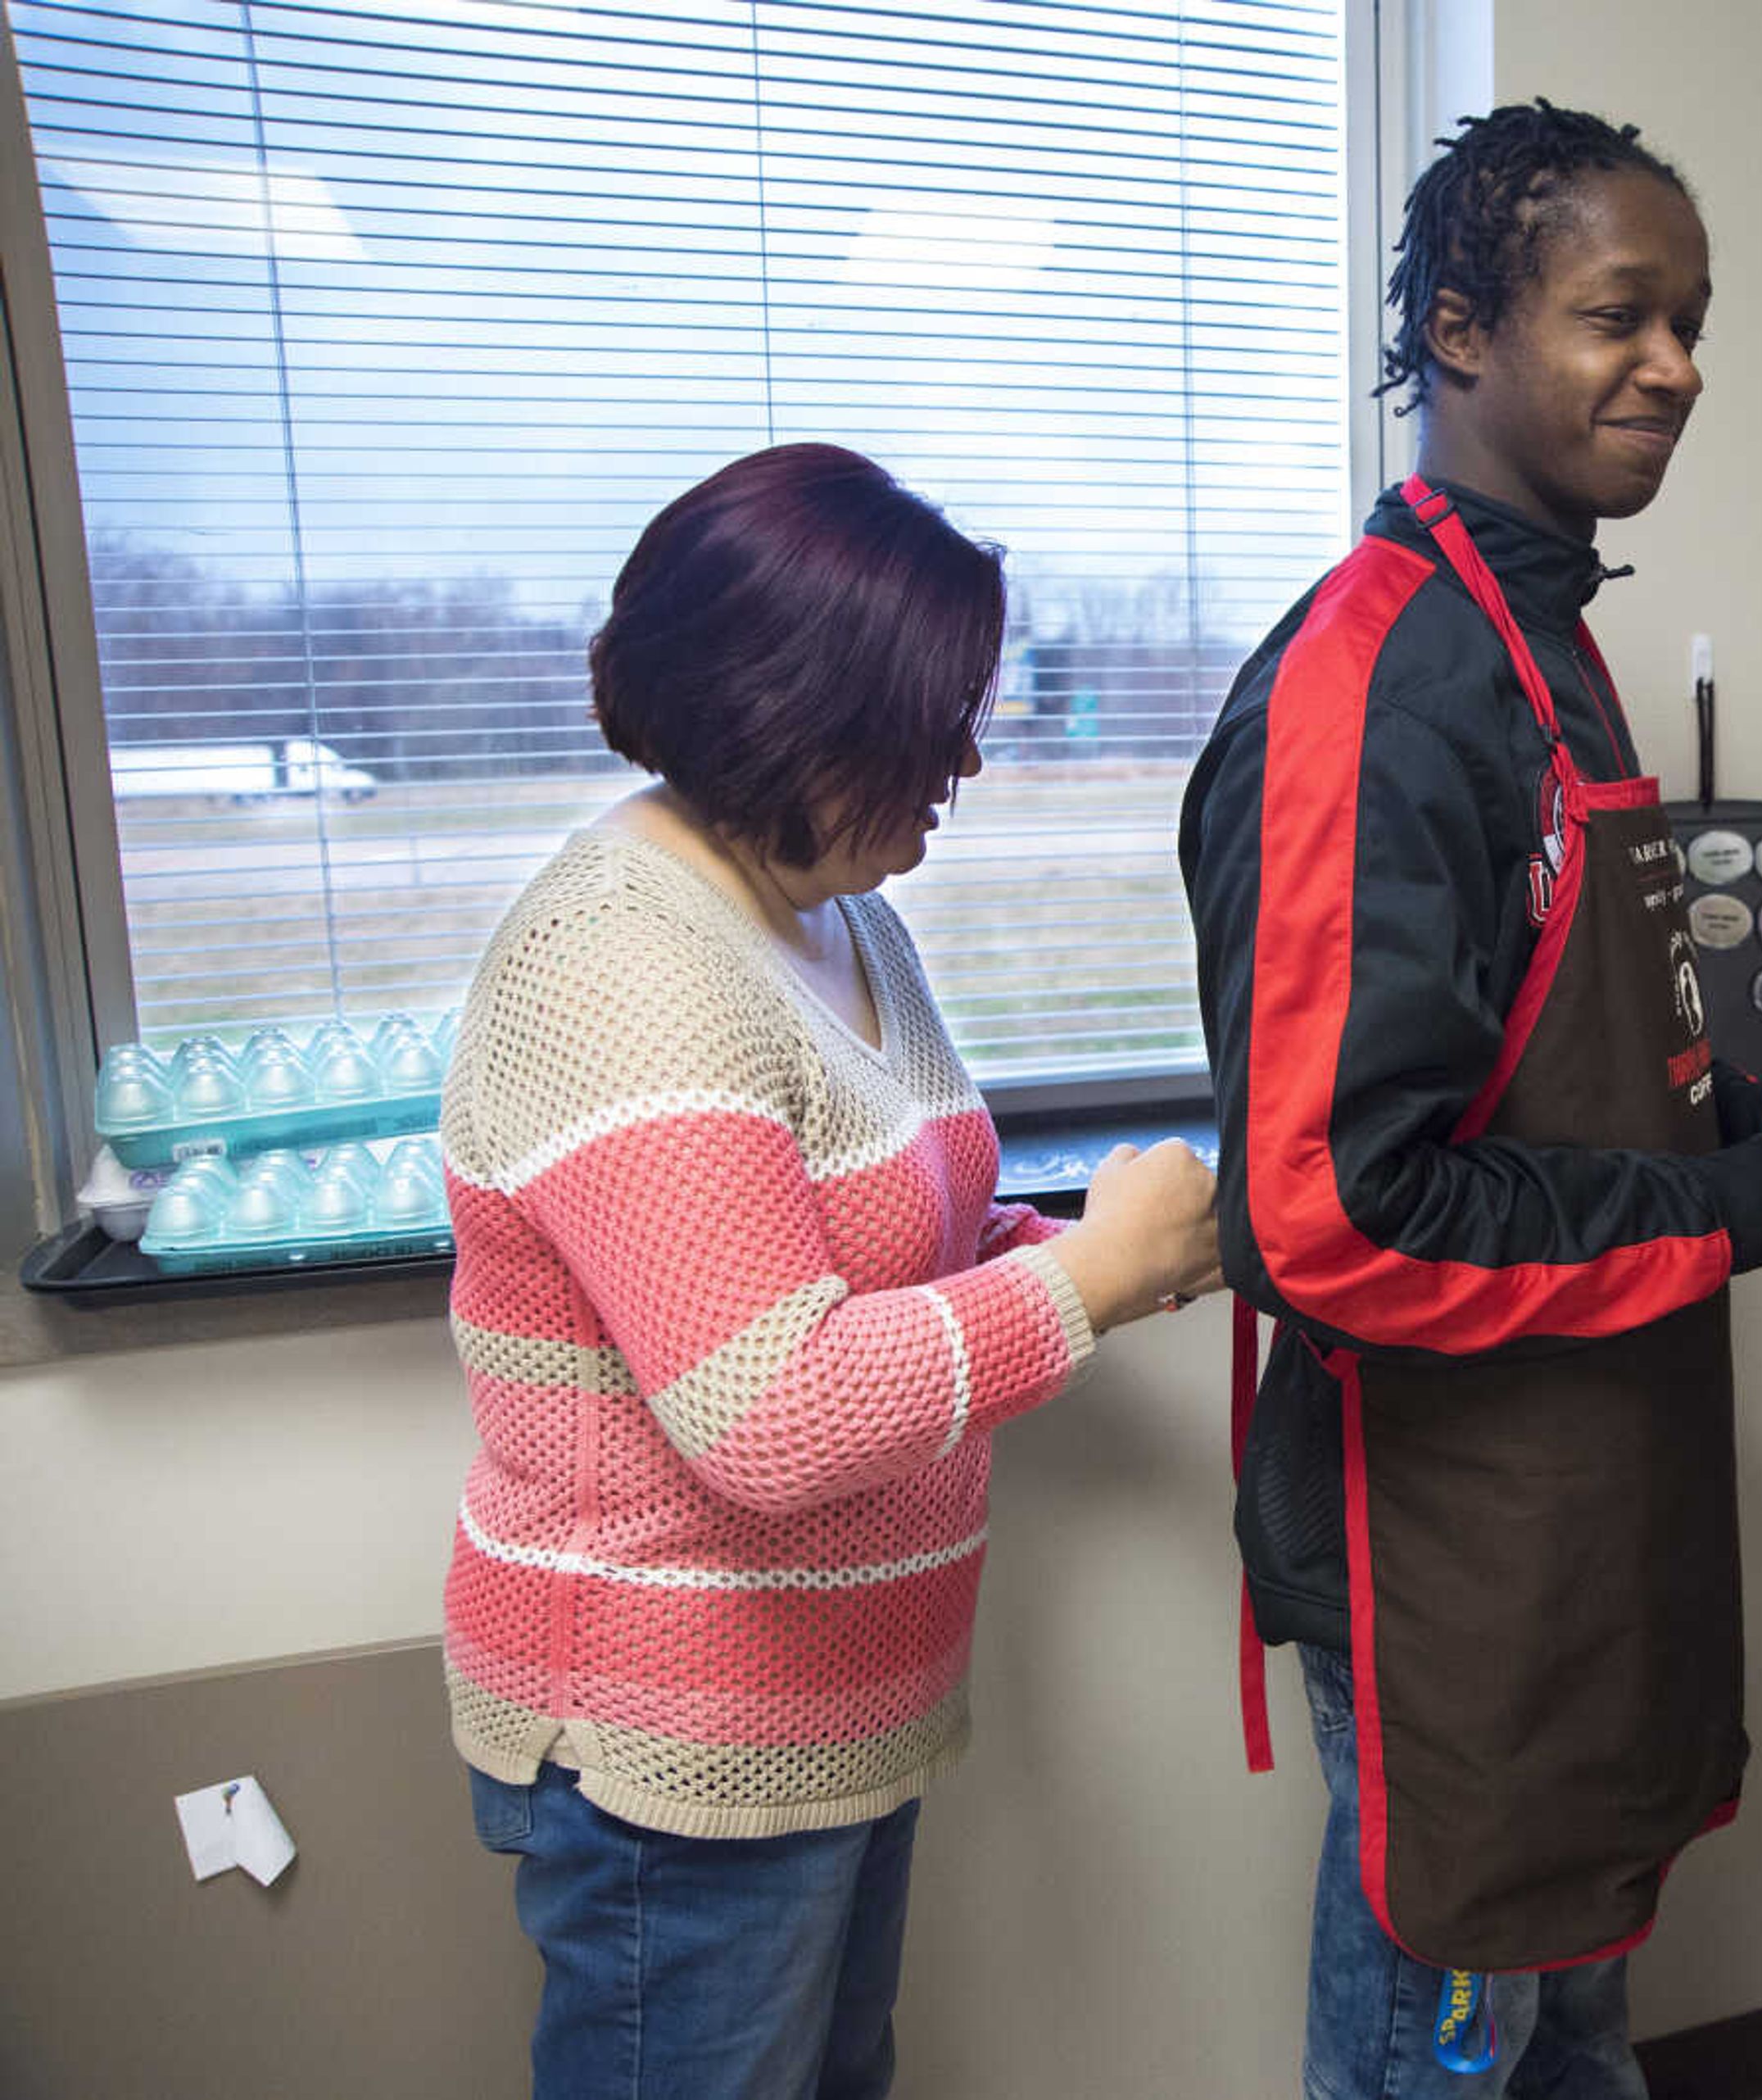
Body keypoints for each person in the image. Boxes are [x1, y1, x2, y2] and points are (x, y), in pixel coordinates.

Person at [1180, 102, 1762, 2099]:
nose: (1680, 366)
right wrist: (1751, 1214)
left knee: (1577, 2050)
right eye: (1624, 315)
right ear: (1457, 326)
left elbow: (1555, 1072)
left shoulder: (1541, 644)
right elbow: (1343, 1217)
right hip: (1450, 1574)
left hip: (1590, 1536)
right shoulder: (1376, 689)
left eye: (1695, 321)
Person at [440, 442, 1220, 2099]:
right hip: (680, 1748)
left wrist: (1091, 1252)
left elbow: (891, 1243)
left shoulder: (837, 913)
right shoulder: (620, 961)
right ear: (787, 712)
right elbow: (771, 1409)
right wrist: (1081, 1290)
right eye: (930, 721)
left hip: (834, 1715)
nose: (965, 759)